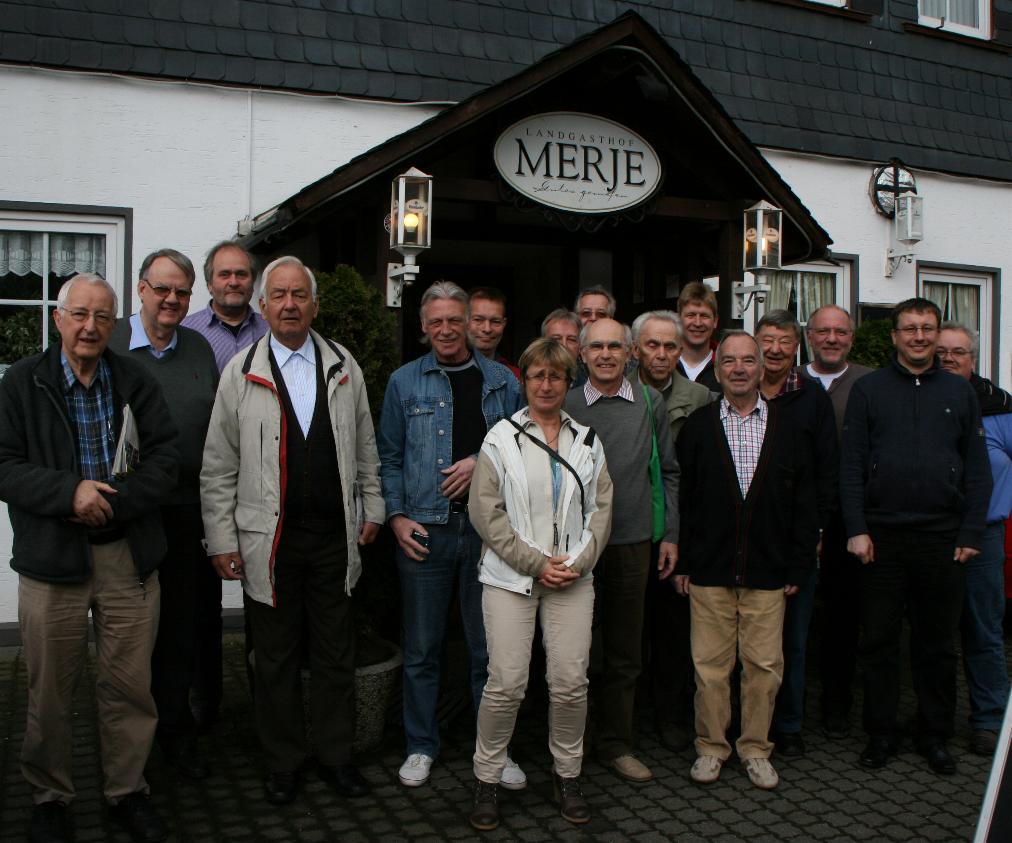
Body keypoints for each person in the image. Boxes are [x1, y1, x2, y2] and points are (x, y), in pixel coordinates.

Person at [0, 273, 178, 843]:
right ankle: (50, 797)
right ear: (58, 318)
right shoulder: (21, 384)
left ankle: (125, 792)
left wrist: (115, 502)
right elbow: (4, 466)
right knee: (49, 689)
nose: (89, 327)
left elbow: (165, 458)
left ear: (114, 323)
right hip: (53, 560)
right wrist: (69, 492)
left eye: (102, 317)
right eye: (79, 314)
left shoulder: (134, 380)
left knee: (128, 685)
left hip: (126, 558)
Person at [200, 256, 385, 805]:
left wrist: (372, 506)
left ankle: (336, 756)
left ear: (314, 304)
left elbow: (365, 448)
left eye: (298, 295)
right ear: (263, 306)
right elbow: (218, 465)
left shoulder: (343, 365)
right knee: (275, 658)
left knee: (334, 654)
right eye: (278, 295)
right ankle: (283, 762)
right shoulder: (240, 371)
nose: (288, 304)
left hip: (334, 538)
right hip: (268, 541)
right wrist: (222, 537)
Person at [377, 281, 523, 790]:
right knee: (422, 649)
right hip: (426, 531)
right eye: (435, 321)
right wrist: (395, 517)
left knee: (490, 651)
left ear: (468, 323)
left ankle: (494, 750)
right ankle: (420, 746)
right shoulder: (403, 383)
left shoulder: (504, 383)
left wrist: (482, 460)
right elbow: (388, 458)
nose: (445, 330)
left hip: (488, 533)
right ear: (423, 327)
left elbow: (523, 454)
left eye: (454, 321)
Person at [840, 298, 991, 775]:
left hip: (942, 539)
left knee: (937, 644)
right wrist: (857, 529)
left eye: (927, 328)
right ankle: (881, 734)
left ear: (936, 334)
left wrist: (970, 530)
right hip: (881, 540)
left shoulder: (959, 392)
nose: (919, 337)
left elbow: (976, 469)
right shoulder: (870, 390)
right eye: (910, 329)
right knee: (879, 642)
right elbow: (851, 466)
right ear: (895, 336)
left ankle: (934, 735)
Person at [467, 338, 613, 831]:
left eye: (556, 376)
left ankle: (567, 775)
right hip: (510, 579)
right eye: (537, 376)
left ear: (568, 382)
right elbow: (486, 513)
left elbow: (602, 512)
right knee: (506, 683)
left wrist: (576, 562)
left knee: (570, 684)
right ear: (523, 381)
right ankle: (487, 778)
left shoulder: (589, 441)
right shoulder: (499, 439)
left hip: (572, 578)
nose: (546, 384)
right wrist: (535, 563)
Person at [676, 331, 818, 791]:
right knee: (710, 668)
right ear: (717, 371)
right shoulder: (697, 427)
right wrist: (684, 564)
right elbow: (687, 501)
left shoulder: (791, 429)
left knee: (763, 668)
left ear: (763, 368)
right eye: (730, 361)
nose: (739, 369)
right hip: (710, 571)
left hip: (768, 571)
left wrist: (798, 566)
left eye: (748, 361)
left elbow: (804, 504)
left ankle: (756, 749)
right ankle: (711, 748)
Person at [108, 249, 218, 780]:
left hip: (185, 512)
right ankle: (128, 743)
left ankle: (173, 734)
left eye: (181, 292)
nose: (171, 299)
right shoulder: (109, 344)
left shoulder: (197, 347)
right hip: (125, 514)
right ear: (141, 289)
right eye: (162, 289)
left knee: (179, 630)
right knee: (129, 634)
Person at [564, 318, 679, 784]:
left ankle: (616, 744)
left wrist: (668, 532)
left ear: (631, 352)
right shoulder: (566, 403)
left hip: (632, 543)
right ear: (582, 353)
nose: (607, 354)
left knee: (625, 653)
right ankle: (573, 745)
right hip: (576, 546)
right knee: (576, 653)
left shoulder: (649, 403)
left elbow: (668, 471)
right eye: (597, 347)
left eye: (615, 346)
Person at [181, 239, 268, 725]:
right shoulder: (189, 333)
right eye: (224, 275)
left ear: (251, 281)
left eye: (241, 274)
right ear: (209, 282)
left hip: (262, 486)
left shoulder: (272, 331)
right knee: (202, 606)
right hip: (207, 485)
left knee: (265, 603)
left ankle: (265, 703)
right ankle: (205, 703)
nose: (233, 282)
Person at [755, 309, 838, 757]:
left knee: (793, 638)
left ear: (796, 347)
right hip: (747, 537)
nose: (774, 349)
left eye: (784, 341)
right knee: (745, 642)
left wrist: (819, 528)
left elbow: (828, 470)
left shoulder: (812, 398)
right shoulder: (737, 389)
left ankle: (787, 725)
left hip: (796, 536)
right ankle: (745, 722)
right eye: (767, 339)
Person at [631, 309, 711, 751]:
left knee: (671, 631)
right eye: (652, 345)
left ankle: (669, 716)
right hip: (627, 528)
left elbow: (690, 474)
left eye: (669, 346)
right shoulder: (617, 392)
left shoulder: (700, 397)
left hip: (675, 528)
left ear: (681, 351)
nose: (660, 354)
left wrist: (679, 535)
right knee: (626, 633)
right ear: (636, 349)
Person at [936, 321, 1012, 756]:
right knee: (935, 633)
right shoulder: (922, 402)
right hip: (934, 533)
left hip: (983, 536)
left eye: (958, 352)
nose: (948, 358)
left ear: (973, 359)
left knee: (983, 631)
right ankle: (936, 717)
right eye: (942, 352)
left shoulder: (999, 409)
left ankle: (988, 719)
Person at [801, 305, 873, 739]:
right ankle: (786, 711)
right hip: (797, 517)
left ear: (851, 337)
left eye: (840, 332)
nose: (831, 338)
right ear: (809, 336)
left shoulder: (870, 383)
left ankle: (836, 707)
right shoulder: (789, 380)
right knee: (793, 617)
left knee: (843, 617)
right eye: (823, 331)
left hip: (849, 518)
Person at [675, 281, 720, 390]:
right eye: (691, 315)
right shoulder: (665, 363)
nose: (697, 323)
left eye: (704, 316)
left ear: (715, 321)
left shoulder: (727, 365)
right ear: (678, 319)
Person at [467, 286, 520, 379]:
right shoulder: (440, 374)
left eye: (495, 321)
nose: (487, 329)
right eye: (478, 320)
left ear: (504, 324)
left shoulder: (516, 377)